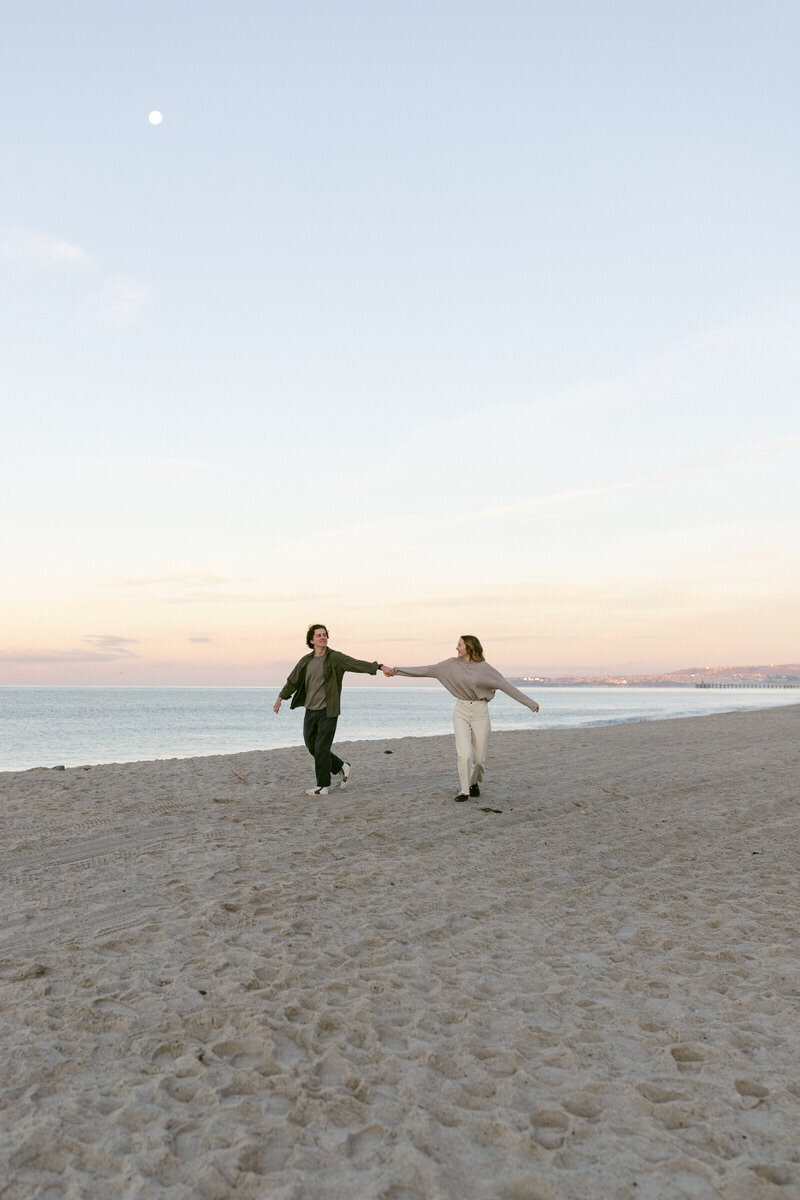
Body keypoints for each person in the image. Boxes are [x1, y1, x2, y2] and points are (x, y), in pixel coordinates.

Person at [384, 635, 539, 802]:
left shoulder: (485, 669)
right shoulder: (450, 665)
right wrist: (396, 671)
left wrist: (530, 703)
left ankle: (474, 783)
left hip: (480, 712)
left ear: (469, 648)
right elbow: (426, 670)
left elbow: (507, 687)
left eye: (459, 645)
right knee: (464, 753)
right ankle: (464, 791)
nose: (456, 648)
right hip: (461, 711)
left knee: (479, 760)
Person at [274, 624, 391, 796]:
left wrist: (379, 667)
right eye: (319, 635)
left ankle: (322, 786)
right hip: (310, 710)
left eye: (325, 635)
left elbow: (356, 664)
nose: (323, 637)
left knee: (321, 748)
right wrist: (280, 699)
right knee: (312, 747)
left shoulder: (335, 658)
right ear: (311, 640)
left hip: (328, 711)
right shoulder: (306, 661)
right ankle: (341, 766)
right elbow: (292, 681)